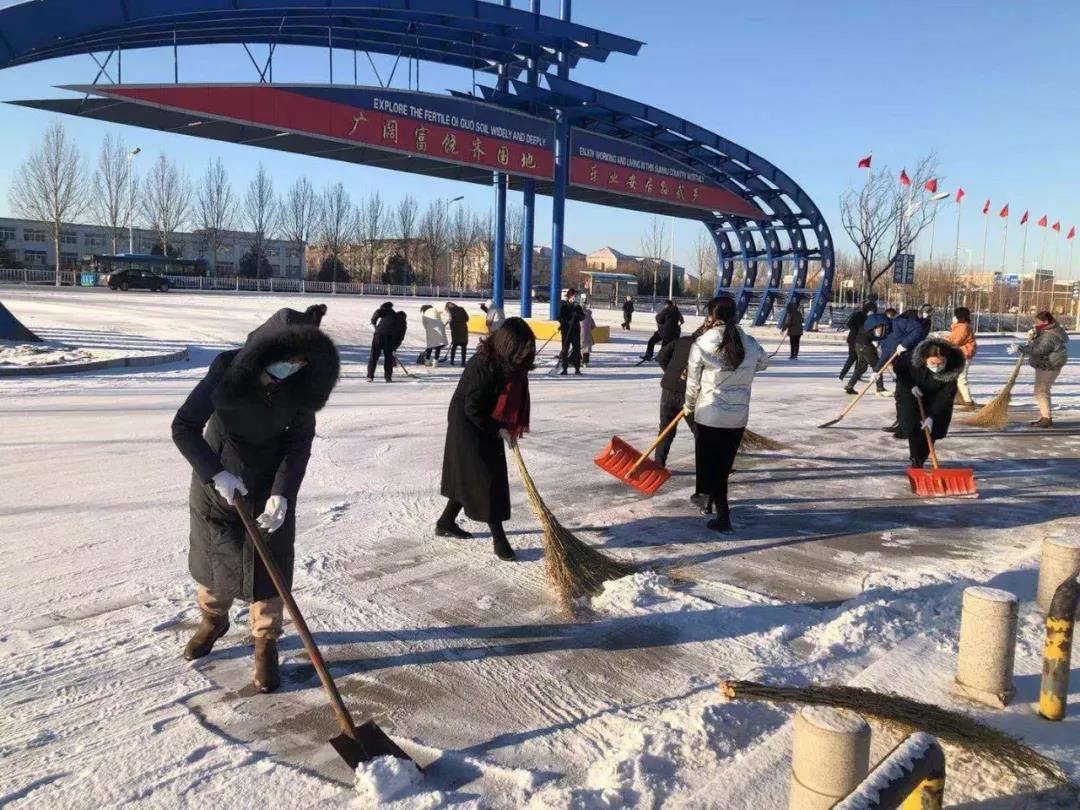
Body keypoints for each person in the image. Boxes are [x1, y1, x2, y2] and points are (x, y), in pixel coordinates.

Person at [171, 308, 340, 693]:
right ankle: (213, 620)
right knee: (216, 560)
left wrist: (282, 493)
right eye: (287, 360)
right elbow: (184, 426)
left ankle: (265, 641)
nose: (292, 368)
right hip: (219, 480)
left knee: (270, 568)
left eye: (301, 362)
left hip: (268, 484)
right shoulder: (228, 368)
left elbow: (298, 442)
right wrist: (216, 474)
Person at [436, 317, 536, 561]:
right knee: (487, 480)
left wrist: (504, 426)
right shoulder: (484, 365)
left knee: (469, 476)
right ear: (508, 344)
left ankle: (446, 521)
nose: (524, 354)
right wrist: (498, 429)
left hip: (485, 419)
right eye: (521, 349)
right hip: (468, 423)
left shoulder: (504, 362)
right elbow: (473, 408)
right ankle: (499, 539)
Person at [684, 296, 768, 533]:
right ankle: (708, 501)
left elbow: (693, 382)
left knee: (710, 466)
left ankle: (722, 515)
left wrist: (688, 406)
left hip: (709, 413)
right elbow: (763, 362)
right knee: (722, 466)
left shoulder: (702, 342)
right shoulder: (749, 342)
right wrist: (745, 370)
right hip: (738, 416)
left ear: (712, 315)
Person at [893, 337, 964, 467]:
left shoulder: (951, 373)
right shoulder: (911, 359)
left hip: (936, 398)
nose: (937, 367)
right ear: (924, 359)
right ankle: (915, 459)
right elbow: (900, 369)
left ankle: (921, 458)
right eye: (933, 363)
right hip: (913, 393)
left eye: (941, 363)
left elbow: (945, 398)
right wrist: (911, 385)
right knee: (914, 426)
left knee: (932, 429)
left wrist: (932, 416)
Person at [1010, 311, 1069, 428]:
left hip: (1049, 364)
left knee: (1041, 391)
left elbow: (1040, 350)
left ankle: (1046, 418)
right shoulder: (1047, 330)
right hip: (1046, 363)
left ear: (1046, 322)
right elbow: (1038, 345)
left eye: (1037, 321)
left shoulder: (1050, 335)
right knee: (1042, 391)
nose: (1035, 323)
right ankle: (1045, 417)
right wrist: (1034, 337)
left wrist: (1020, 349)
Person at [655, 332, 697, 468]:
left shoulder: (680, 341)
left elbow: (661, 356)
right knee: (701, 431)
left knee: (665, 430)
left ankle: (658, 465)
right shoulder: (707, 347)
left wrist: (671, 374)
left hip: (668, 390)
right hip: (688, 394)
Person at [847, 311, 889, 395]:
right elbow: (873, 336)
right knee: (877, 366)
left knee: (861, 367)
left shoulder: (866, 324)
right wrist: (881, 338)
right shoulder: (870, 325)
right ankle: (880, 388)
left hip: (858, 345)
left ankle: (849, 386)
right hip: (866, 346)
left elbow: (871, 336)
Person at [948, 307, 978, 410]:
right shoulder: (960, 327)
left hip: (963, 355)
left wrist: (943, 341)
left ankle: (968, 402)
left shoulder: (963, 327)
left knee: (961, 378)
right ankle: (960, 399)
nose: (953, 317)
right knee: (954, 377)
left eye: (955, 315)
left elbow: (954, 341)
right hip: (960, 354)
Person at [840, 301, 877, 381]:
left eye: (873, 309)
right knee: (853, 357)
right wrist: (858, 329)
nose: (871, 311)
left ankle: (856, 375)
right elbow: (849, 324)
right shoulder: (858, 315)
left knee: (860, 359)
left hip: (862, 340)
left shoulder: (870, 318)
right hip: (853, 338)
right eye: (870, 309)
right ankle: (842, 374)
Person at [367, 303, 401, 382]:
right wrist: (394, 347)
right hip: (389, 337)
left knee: (374, 356)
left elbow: (377, 312)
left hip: (378, 335)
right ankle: (388, 377)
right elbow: (399, 335)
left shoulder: (385, 311)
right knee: (388, 357)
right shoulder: (395, 316)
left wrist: (374, 323)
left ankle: (370, 376)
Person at [558, 288, 584, 375]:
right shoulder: (563, 306)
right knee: (565, 350)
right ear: (569, 297)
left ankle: (577, 368)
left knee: (576, 350)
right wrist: (567, 321)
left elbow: (582, 317)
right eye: (573, 296)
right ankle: (564, 368)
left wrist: (577, 315)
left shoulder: (577, 306)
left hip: (575, 331)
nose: (575, 298)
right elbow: (559, 317)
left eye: (575, 297)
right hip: (566, 331)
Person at [446, 301, 471, 367]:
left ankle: (452, 361)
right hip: (463, 330)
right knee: (464, 347)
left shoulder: (450, 312)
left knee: (454, 346)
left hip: (455, 331)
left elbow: (450, 321)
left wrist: (452, 327)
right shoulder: (461, 309)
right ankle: (463, 362)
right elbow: (467, 318)